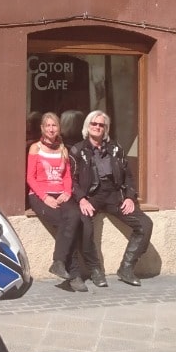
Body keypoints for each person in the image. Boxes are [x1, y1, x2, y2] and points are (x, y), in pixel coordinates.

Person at [70, 109, 153, 286]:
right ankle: (95, 270)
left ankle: (127, 268)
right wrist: (82, 199)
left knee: (145, 224)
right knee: (85, 228)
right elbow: (72, 180)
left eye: (102, 125)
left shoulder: (116, 149)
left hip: (115, 195)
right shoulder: (77, 150)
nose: (98, 127)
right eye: (94, 124)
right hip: (91, 196)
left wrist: (130, 197)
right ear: (87, 126)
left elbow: (128, 176)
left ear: (106, 128)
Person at [26, 112, 87, 291]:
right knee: (67, 224)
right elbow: (30, 178)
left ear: (59, 128)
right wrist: (45, 198)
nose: (51, 129)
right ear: (42, 129)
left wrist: (67, 192)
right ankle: (75, 274)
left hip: (60, 193)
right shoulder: (35, 148)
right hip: (39, 195)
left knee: (74, 215)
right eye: (48, 126)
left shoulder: (63, 148)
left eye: (54, 125)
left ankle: (58, 262)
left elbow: (67, 176)